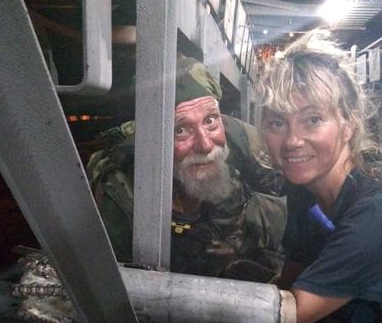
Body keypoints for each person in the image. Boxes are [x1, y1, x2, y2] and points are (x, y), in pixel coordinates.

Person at [256, 29, 382, 322]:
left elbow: (291, 315)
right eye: (277, 122)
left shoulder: (380, 217)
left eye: (312, 120)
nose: (292, 141)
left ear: (348, 125)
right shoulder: (305, 194)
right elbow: (294, 274)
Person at [86, 57, 287, 282]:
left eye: (210, 120)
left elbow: (281, 201)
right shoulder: (121, 195)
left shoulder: (242, 139)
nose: (206, 145)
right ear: (153, 138)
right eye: (180, 129)